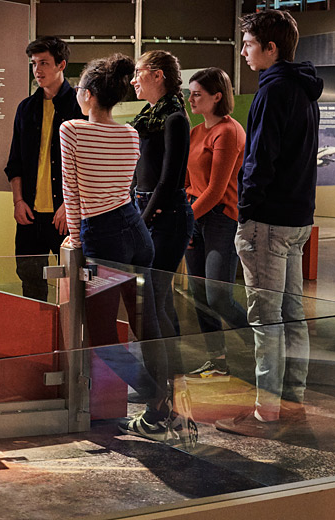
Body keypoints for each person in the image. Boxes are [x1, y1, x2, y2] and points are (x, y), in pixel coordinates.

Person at [61, 54, 188, 443]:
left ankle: (156, 398)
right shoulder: (130, 134)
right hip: (136, 232)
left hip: (103, 236)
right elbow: (124, 188)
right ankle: (161, 409)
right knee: (147, 324)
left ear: (88, 94)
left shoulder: (73, 130)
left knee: (100, 334)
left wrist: (75, 240)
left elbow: (73, 192)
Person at [215, 9, 323, 438]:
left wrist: (247, 213)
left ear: (270, 48)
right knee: (292, 316)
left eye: (248, 44)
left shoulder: (272, 91)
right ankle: (292, 403)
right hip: (298, 220)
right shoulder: (304, 89)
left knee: (267, 322)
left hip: (269, 223)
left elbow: (260, 163)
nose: (243, 52)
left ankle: (267, 413)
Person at [4, 36, 86, 302]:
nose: (37, 70)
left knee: (74, 286)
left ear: (61, 64)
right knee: (30, 284)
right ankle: (36, 342)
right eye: (34, 64)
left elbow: (86, 164)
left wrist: (70, 206)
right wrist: (18, 201)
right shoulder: (25, 109)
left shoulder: (80, 107)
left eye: (44, 63)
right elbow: (14, 161)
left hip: (65, 215)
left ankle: (71, 342)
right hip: (29, 214)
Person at [183, 67, 249, 379]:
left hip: (220, 219)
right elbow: (189, 182)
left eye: (198, 94)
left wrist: (187, 217)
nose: (191, 98)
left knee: (218, 297)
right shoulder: (196, 132)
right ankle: (217, 359)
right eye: (190, 93)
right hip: (194, 217)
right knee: (199, 295)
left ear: (217, 97)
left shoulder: (229, 131)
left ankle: (264, 352)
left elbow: (216, 190)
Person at [130, 50, 193, 340]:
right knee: (156, 297)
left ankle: (167, 369)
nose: (133, 81)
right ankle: (167, 370)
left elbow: (169, 180)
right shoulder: (146, 118)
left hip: (167, 216)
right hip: (147, 210)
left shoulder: (174, 119)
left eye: (138, 72)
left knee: (153, 297)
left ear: (158, 75)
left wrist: (141, 221)